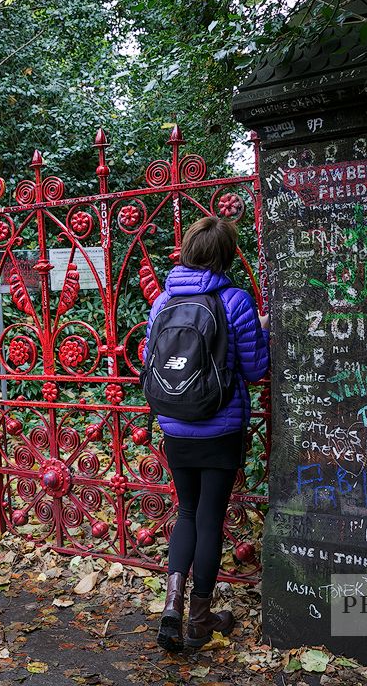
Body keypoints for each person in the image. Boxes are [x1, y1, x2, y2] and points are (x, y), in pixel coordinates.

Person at [142, 215, 270, 652]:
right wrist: (263, 332)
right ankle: (199, 620)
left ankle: (171, 606)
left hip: (174, 423)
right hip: (220, 425)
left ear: (188, 251)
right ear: (226, 256)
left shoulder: (161, 302)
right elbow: (254, 369)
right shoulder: (234, 300)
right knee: (211, 518)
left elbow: (148, 358)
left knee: (188, 513)